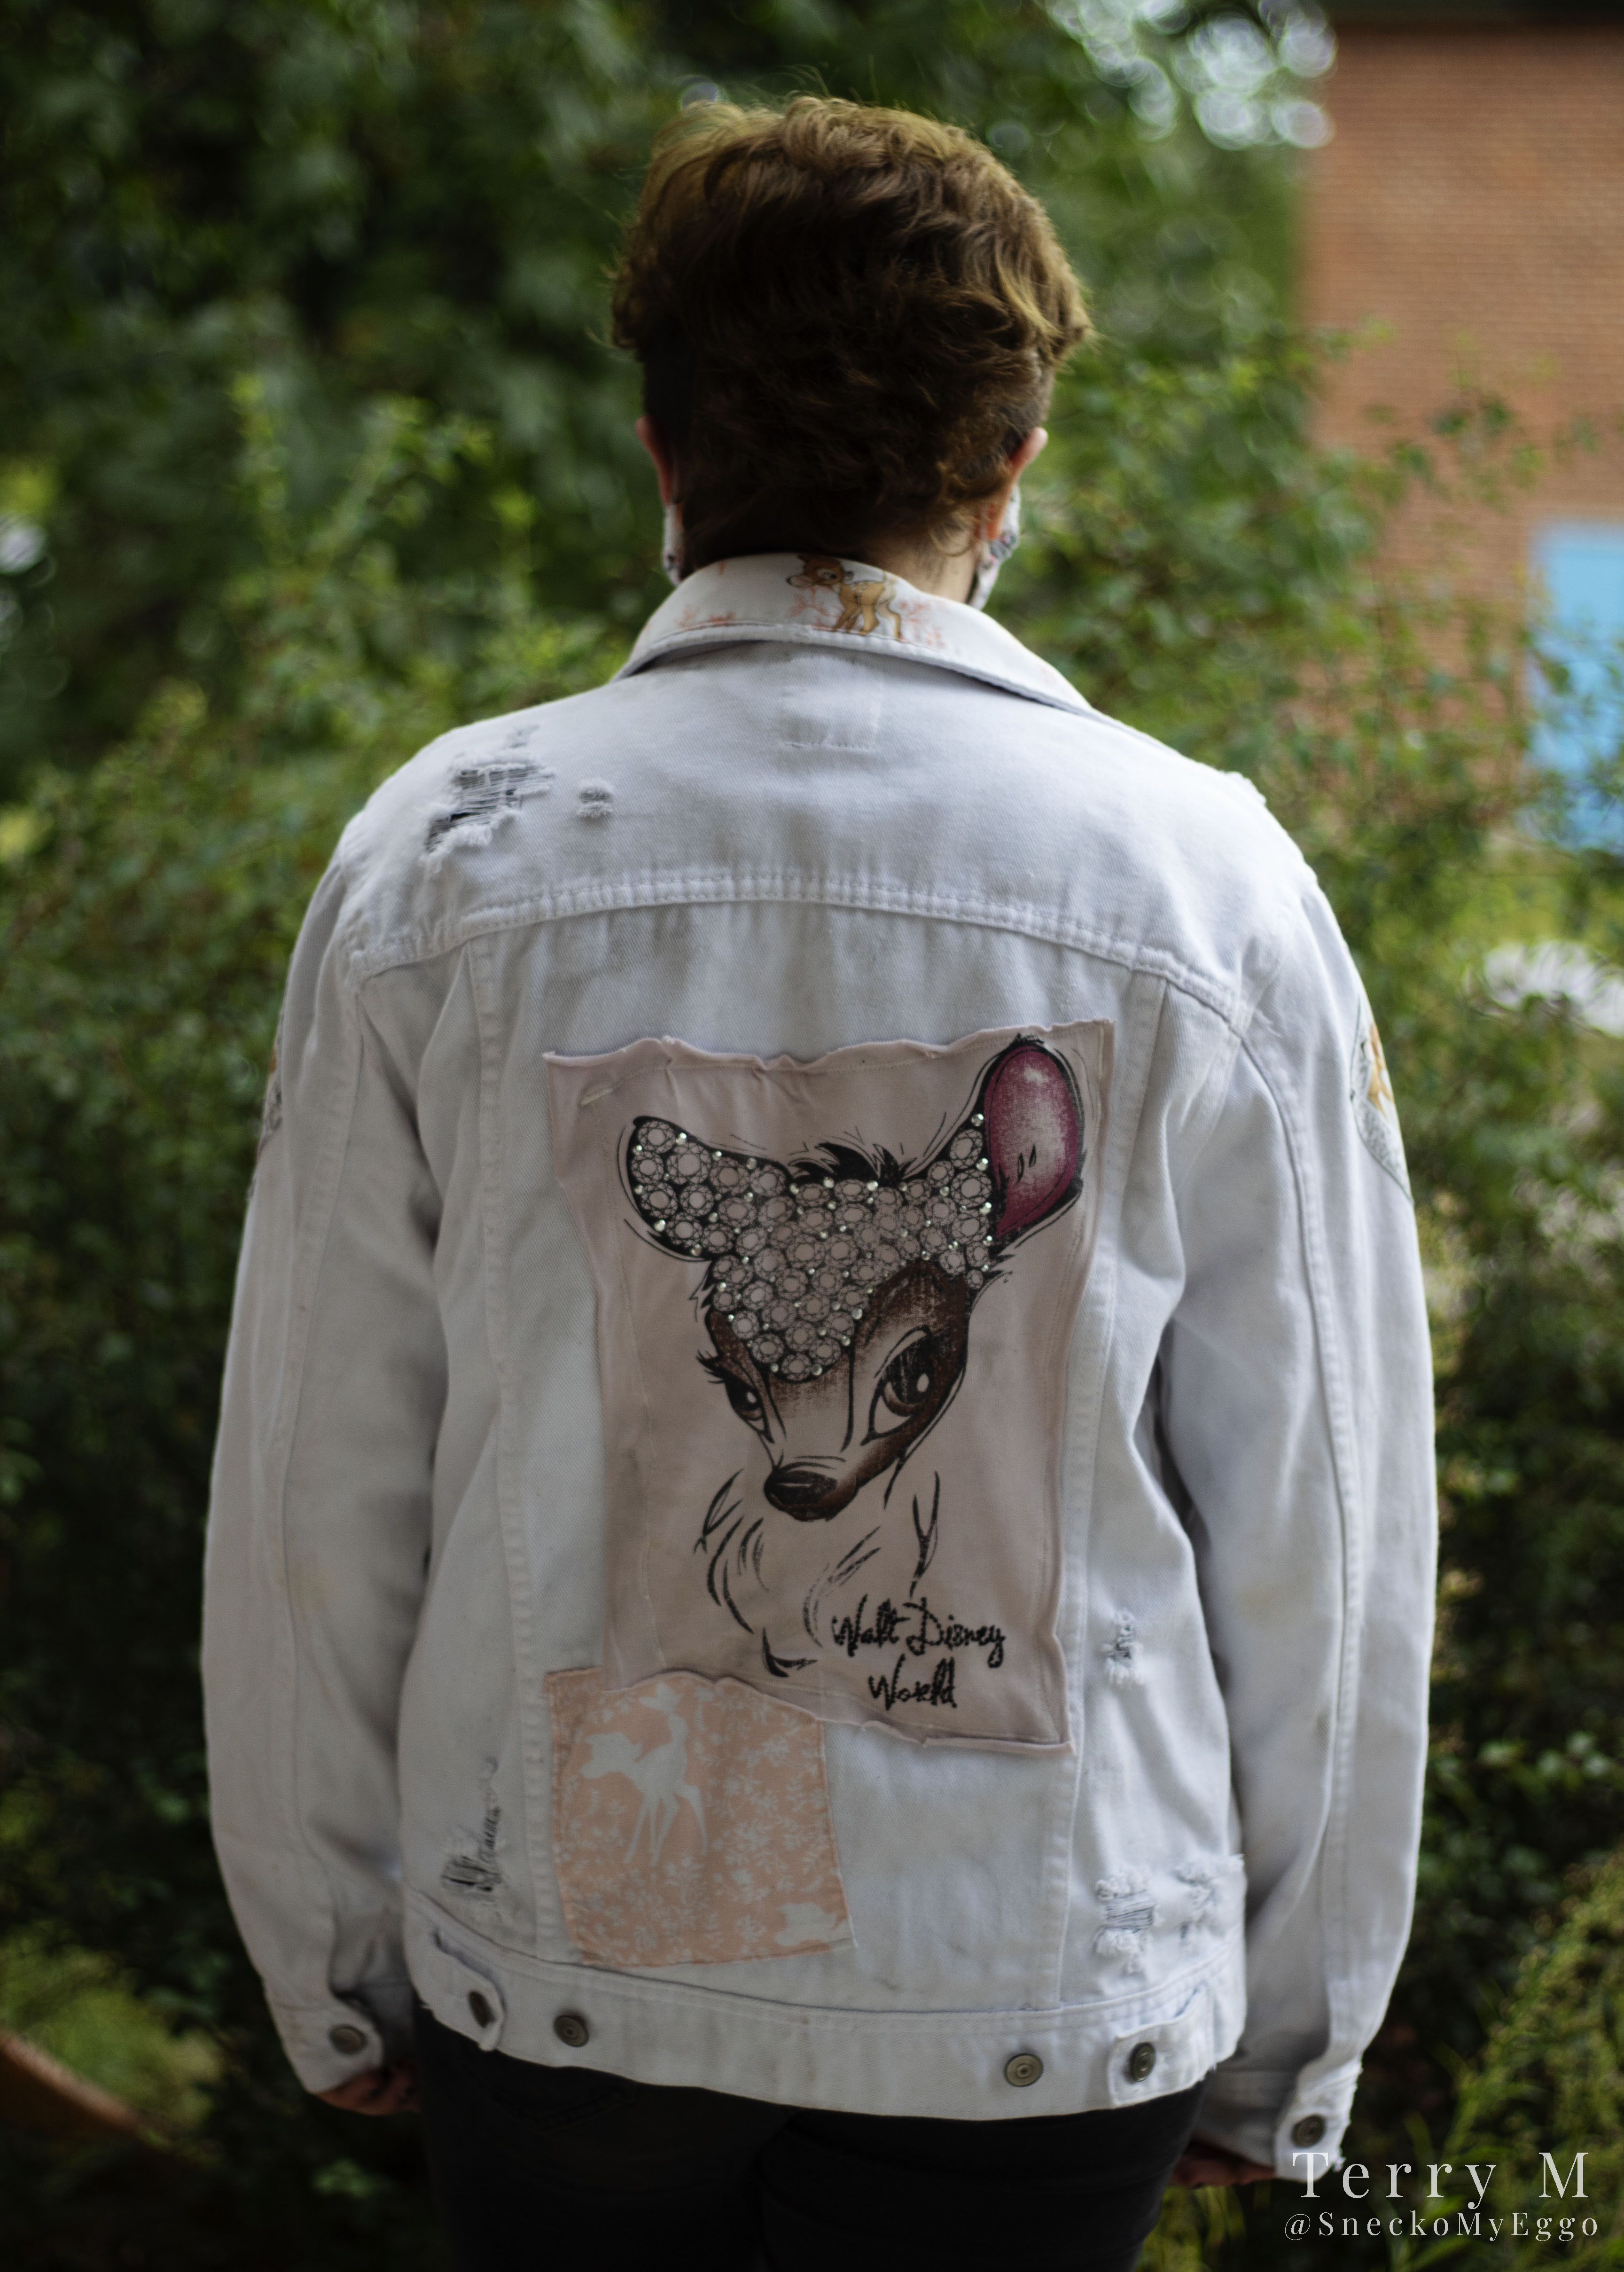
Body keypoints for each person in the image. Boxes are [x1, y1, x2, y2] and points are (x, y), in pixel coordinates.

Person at [203, 96, 1436, 2271]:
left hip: (573, 1973)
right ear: (1008, 472)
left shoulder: (451, 862)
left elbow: (319, 1488)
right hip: (1040, 1993)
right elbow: (1323, 1532)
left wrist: (331, 1952)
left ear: (662, 451)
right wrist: (1293, 2039)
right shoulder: (1203, 883)